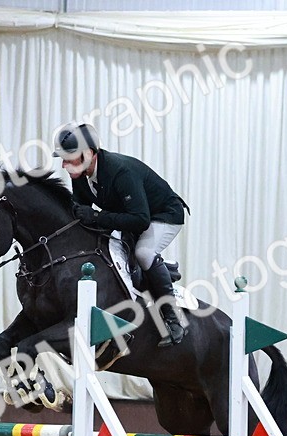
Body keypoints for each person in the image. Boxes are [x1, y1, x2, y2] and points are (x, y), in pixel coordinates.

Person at [54, 123, 188, 346]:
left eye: (69, 158)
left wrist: (96, 217)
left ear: (88, 154)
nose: (63, 164)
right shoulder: (79, 173)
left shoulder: (120, 171)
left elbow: (140, 220)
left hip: (163, 215)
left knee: (144, 253)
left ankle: (173, 319)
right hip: (130, 215)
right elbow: (80, 208)